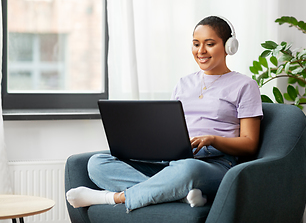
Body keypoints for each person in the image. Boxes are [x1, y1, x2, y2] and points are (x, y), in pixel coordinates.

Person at [66, 16, 263, 212]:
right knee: (98, 162)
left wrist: (212, 139)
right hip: (172, 162)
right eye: (196, 44)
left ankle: (113, 198)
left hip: (213, 164)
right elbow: (171, 127)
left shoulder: (245, 86)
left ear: (229, 46)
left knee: (188, 169)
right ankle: (180, 195)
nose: (201, 51)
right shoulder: (183, 83)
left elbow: (249, 144)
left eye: (209, 44)